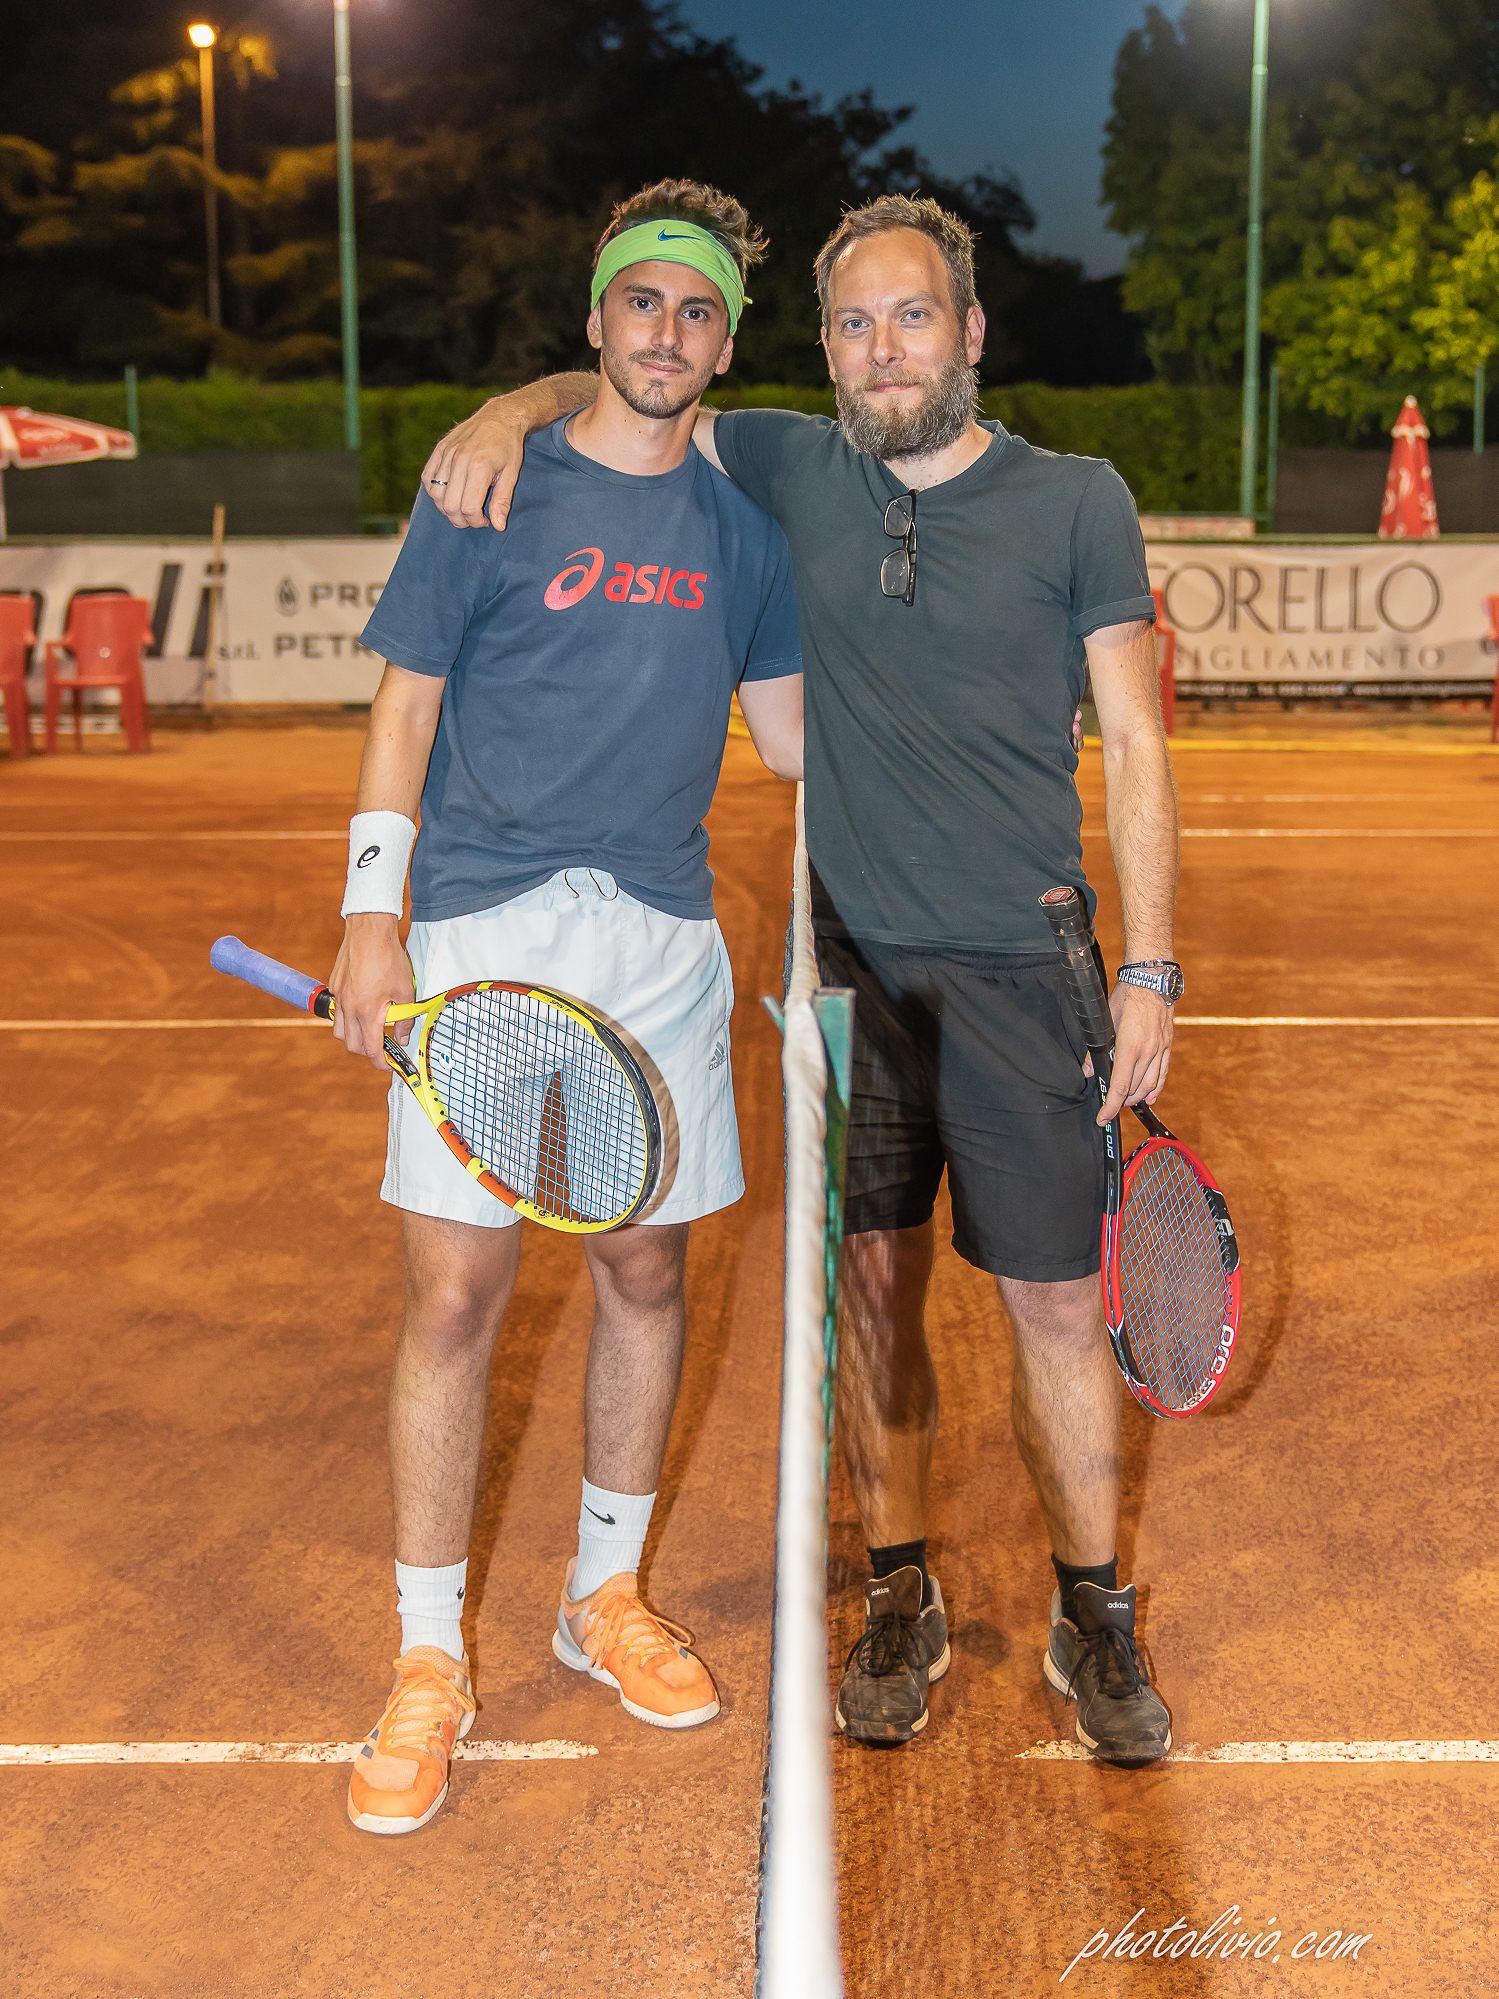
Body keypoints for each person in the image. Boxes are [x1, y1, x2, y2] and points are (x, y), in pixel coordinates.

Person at [418, 193, 1181, 1765]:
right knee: (876, 1297)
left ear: (970, 331)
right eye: (853, 323)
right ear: (824, 351)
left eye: (914, 316)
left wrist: (1153, 970)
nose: (885, 348)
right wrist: (508, 409)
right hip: (854, 975)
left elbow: (1138, 743)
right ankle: (897, 1588)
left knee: (1054, 1303)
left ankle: (1090, 1609)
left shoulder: (1077, 499)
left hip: (1027, 968)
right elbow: (635, 380)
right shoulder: (784, 466)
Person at [333, 178, 804, 1835]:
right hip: (477, 926)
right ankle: (425, 1655)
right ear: (596, 318)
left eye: (697, 310)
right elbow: (403, 711)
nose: (666, 332)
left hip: (660, 937)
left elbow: (796, 742)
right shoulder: (491, 483)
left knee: (644, 1270)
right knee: (456, 1295)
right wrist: (371, 919)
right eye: (641, 302)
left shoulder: (749, 532)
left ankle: (601, 1595)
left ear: (724, 345)